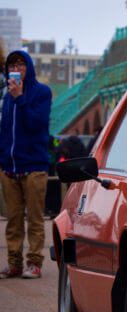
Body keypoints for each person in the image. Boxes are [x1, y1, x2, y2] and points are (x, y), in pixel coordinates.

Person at [0, 50, 52, 279]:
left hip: (34, 167)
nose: (17, 69)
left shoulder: (42, 92)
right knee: (12, 220)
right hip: (10, 167)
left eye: (21, 65)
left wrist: (20, 98)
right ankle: (14, 263)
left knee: (34, 218)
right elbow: (4, 131)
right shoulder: (6, 96)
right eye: (12, 65)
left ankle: (34, 262)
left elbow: (36, 124)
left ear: (28, 68)